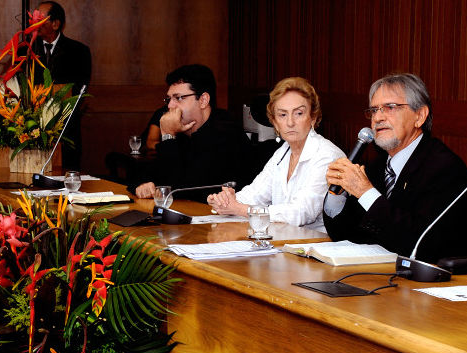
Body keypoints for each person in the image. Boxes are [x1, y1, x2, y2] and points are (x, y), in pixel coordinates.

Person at [323, 73, 467, 262]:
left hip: (434, 281)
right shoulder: (377, 166)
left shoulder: (444, 168)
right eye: (373, 110)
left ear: (419, 116)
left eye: (390, 107)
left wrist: (366, 193)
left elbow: (422, 243)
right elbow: (344, 234)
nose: (378, 117)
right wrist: (337, 194)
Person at [207, 77, 345, 232]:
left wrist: (240, 209)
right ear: (274, 122)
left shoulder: (328, 156)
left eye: (298, 113)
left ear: (313, 117)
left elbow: (301, 213)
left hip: (318, 246)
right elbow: (255, 194)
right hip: (285, 242)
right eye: (282, 115)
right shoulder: (283, 152)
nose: (290, 122)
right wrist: (225, 201)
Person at [134, 64, 255, 202]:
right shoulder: (182, 131)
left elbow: (181, 190)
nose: (170, 106)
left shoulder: (227, 134)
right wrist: (144, 185)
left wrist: (167, 135)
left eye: (178, 98)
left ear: (203, 100)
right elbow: (147, 174)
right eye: (169, 99)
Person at [33, 1, 92, 171]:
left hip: (66, 130)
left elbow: (80, 90)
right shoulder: (26, 50)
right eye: (34, 18)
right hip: (33, 131)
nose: (34, 22)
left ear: (56, 24)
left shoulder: (79, 51)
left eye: (40, 18)